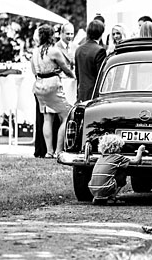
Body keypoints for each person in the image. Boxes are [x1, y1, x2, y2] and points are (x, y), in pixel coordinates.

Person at [31, 24, 75, 157]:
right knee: (66, 115)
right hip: (52, 85)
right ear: (51, 36)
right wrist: (73, 76)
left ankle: (49, 152)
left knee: (47, 118)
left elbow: (34, 70)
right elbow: (66, 68)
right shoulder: (54, 50)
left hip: (39, 85)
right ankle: (58, 150)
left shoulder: (35, 51)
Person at [88, 136, 147, 204]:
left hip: (92, 189)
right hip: (106, 188)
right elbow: (136, 161)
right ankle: (112, 198)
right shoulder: (118, 157)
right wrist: (140, 150)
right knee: (123, 171)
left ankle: (97, 198)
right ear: (117, 147)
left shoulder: (101, 157)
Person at [75, 20, 107, 102]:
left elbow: (77, 74)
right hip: (94, 93)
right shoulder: (100, 50)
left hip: (81, 92)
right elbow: (101, 75)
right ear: (101, 33)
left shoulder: (79, 49)